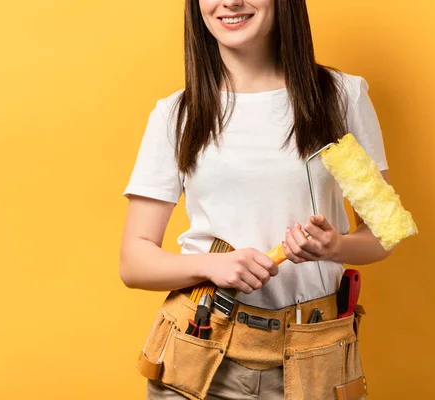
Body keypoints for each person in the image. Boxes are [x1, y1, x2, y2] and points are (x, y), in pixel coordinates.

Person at [120, 0, 393, 399]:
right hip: (199, 350)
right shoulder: (177, 114)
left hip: (314, 358)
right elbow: (134, 260)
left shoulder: (337, 98)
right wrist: (213, 265)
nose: (230, 2)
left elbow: (383, 232)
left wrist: (335, 246)